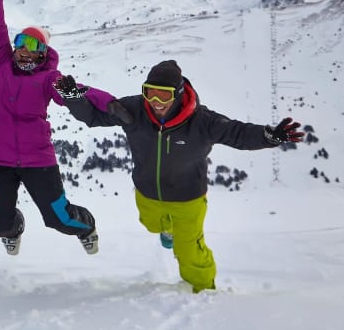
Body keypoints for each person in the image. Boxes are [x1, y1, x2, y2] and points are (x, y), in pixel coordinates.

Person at [55, 59, 305, 293]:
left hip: (188, 199)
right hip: (147, 192)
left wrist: (269, 137)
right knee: (150, 224)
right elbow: (94, 117)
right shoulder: (133, 109)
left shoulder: (203, 121)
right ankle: (167, 231)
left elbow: (237, 133)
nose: (155, 100)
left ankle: (203, 292)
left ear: (178, 92)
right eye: (149, 91)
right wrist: (74, 99)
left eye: (163, 94)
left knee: (189, 250)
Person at [0, 0, 99, 257]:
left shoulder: (48, 78)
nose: (25, 52)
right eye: (21, 44)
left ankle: (87, 227)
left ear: (44, 54)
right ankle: (15, 229)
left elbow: (69, 93)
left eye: (35, 47)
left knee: (60, 219)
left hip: (38, 161)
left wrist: (82, 98)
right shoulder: (1, 64)